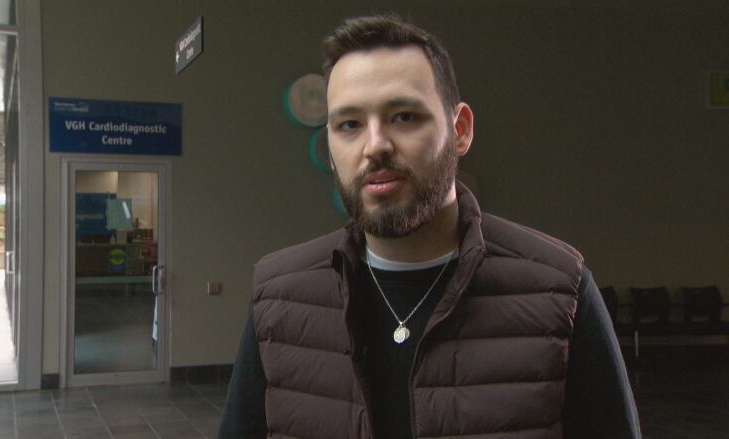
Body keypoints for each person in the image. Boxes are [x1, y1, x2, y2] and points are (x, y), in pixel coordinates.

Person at [219, 14, 640, 439]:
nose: (376, 145)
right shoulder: (278, 298)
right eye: (349, 125)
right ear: (329, 149)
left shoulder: (558, 291)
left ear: (460, 130)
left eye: (404, 117)